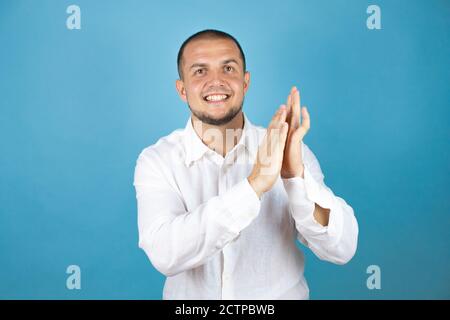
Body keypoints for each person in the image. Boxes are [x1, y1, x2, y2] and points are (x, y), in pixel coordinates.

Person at [133, 29, 358, 299]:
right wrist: (254, 186)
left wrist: (296, 179)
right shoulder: (157, 161)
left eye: (228, 68)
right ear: (182, 89)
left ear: (245, 81)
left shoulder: (288, 151)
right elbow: (165, 254)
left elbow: (341, 248)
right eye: (200, 71)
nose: (216, 82)